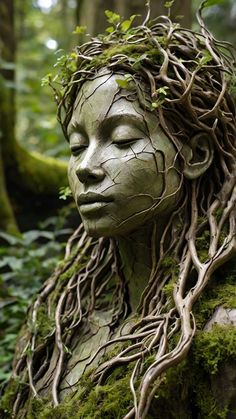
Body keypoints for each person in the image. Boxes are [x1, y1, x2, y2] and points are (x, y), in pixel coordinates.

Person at [1, 4, 236, 418]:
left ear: (195, 155)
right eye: (76, 146)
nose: (86, 167)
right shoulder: (57, 322)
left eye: (123, 139)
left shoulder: (222, 334)